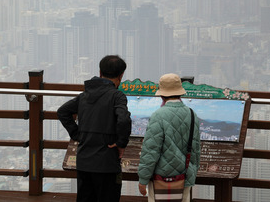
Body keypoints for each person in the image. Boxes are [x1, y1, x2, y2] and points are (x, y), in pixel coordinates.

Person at [57, 55, 132, 202]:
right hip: (107, 163)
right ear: (121, 75)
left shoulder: (84, 95)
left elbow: (62, 112)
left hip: (84, 161)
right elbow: (123, 120)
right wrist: (121, 143)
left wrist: (77, 134)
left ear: (100, 72)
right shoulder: (117, 96)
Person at [137, 73, 201, 202]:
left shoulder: (158, 115)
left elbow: (150, 151)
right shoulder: (192, 114)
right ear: (180, 92)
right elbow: (196, 149)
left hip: (160, 178)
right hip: (184, 177)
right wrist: (192, 173)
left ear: (162, 94)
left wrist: (143, 179)